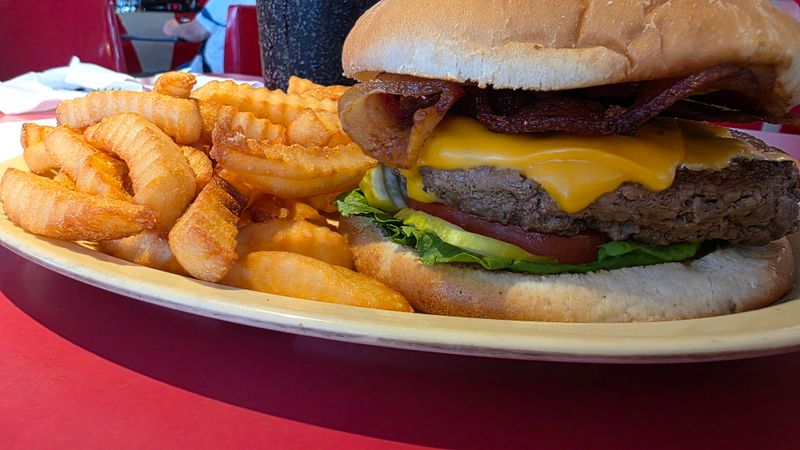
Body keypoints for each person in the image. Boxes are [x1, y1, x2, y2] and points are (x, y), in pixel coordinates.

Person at [162, 0, 256, 73]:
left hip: (214, 76)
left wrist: (171, 27)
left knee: (166, 80)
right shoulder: (269, 6)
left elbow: (194, 33)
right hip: (262, 81)